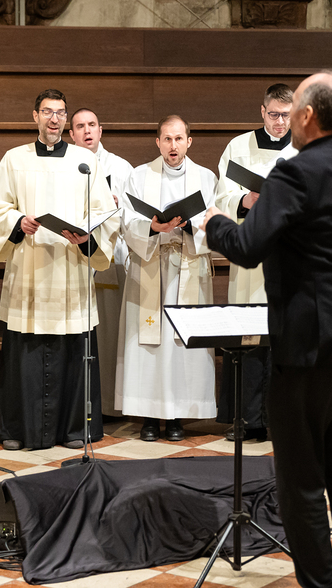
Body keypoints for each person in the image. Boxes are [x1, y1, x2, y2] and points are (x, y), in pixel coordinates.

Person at [202, 71, 332, 588]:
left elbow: (247, 247)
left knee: (302, 477)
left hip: (310, 343)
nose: (289, 119)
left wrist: (213, 223)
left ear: (308, 116)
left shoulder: (293, 173)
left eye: (293, 111)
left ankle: (321, 585)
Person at [0, 89, 119, 451]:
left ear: (65, 119)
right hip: (30, 268)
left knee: (73, 349)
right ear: (35, 116)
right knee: (25, 351)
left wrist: (87, 236)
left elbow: (105, 213)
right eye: (47, 112)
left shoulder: (85, 161)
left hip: (71, 268)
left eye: (59, 113)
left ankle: (74, 429)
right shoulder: (14, 159)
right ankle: (17, 429)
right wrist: (17, 222)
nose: (54, 119)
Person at [116, 115, 217, 442]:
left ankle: (177, 417)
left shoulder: (206, 177)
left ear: (189, 141)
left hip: (188, 267)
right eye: (167, 139)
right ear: (158, 142)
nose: (173, 146)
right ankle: (149, 416)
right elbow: (127, 221)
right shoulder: (138, 176)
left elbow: (215, 220)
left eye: (179, 139)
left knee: (180, 346)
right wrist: (152, 227)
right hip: (151, 265)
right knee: (150, 344)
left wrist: (188, 225)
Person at [212, 83, 295, 442]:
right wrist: (245, 200)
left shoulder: (305, 148)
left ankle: (283, 422)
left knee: (284, 340)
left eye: (286, 116)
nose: (280, 122)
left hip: (289, 257)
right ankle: (247, 419)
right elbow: (221, 197)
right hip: (250, 257)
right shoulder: (238, 147)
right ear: (262, 111)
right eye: (274, 114)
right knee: (249, 338)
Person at [68, 108, 134, 418]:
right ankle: (75, 404)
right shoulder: (63, 165)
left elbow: (136, 215)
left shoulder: (120, 168)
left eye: (92, 125)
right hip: (72, 255)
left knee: (107, 333)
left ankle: (106, 404)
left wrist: (116, 208)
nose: (87, 131)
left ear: (101, 130)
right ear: (71, 134)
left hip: (109, 256)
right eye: (80, 126)